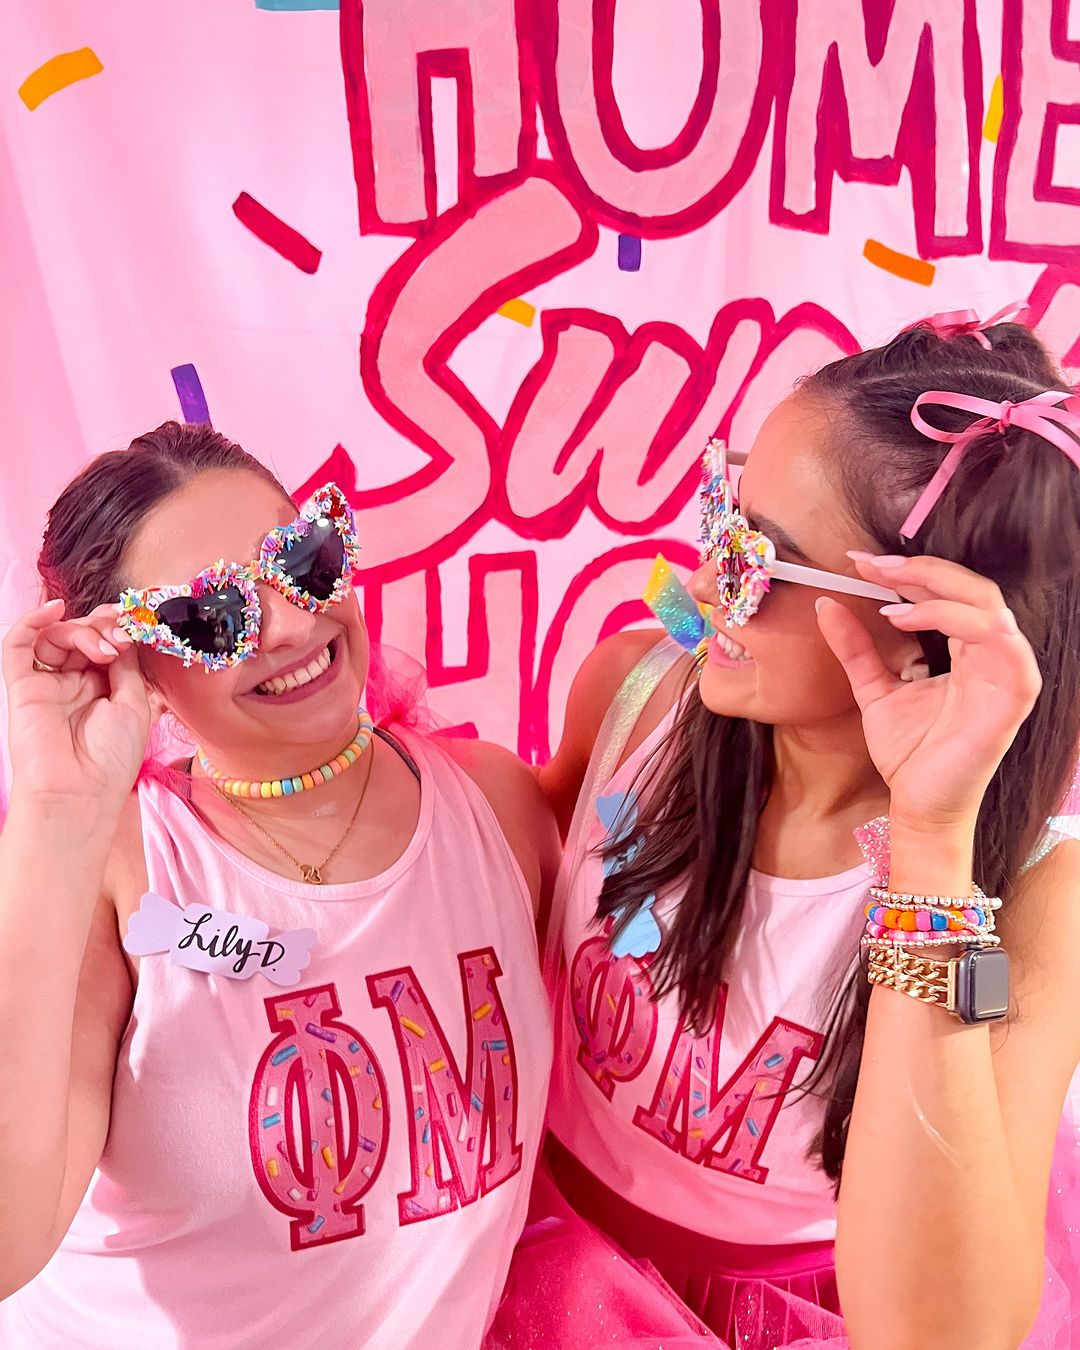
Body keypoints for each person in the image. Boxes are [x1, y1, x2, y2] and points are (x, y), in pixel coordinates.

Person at [488, 318, 1080, 1350]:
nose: (701, 582)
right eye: (721, 515)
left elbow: (944, 1336)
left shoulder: (1037, 891)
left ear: (923, 623)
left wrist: (932, 841)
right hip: (537, 1238)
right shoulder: (635, 692)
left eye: (756, 560)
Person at [0, 424, 558, 1350]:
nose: (293, 625)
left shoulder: (494, 805)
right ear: (135, 665)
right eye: (213, 616)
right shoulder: (115, 870)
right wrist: (58, 813)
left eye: (304, 560)